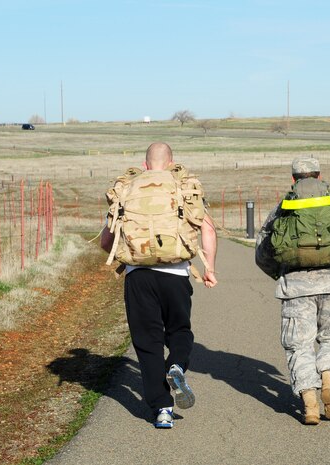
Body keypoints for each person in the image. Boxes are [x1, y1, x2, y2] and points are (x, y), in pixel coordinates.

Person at [103, 142, 217, 429]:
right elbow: (207, 228)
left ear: (144, 165)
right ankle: (176, 364)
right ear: (171, 163)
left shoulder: (128, 187)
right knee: (179, 330)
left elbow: (108, 240)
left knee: (148, 343)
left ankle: (163, 409)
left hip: (138, 276)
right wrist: (209, 268)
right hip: (176, 274)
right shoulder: (181, 184)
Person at [255, 156, 330, 425]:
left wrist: (279, 274)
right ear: (319, 175)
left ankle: (310, 403)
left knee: (299, 346)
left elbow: (263, 249)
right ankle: (329, 378)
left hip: (295, 288)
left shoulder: (284, 208)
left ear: (293, 178)